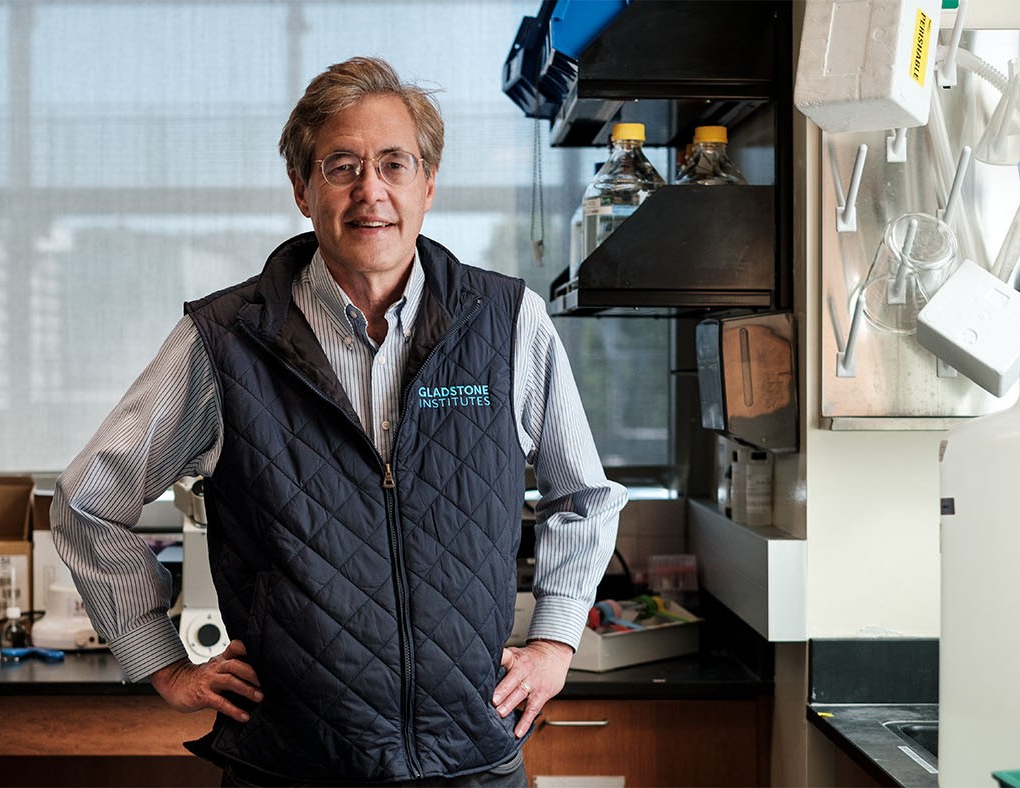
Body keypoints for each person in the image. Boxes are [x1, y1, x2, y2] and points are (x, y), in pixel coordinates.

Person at [52, 56, 626, 786]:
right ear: (302, 189)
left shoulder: (508, 322)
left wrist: (555, 642)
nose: (371, 192)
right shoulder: (225, 339)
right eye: (341, 166)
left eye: (394, 163)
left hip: (472, 763)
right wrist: (158, 658)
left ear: (429, 183)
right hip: (292, 766)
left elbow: (585, 497)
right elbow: (85, 500)